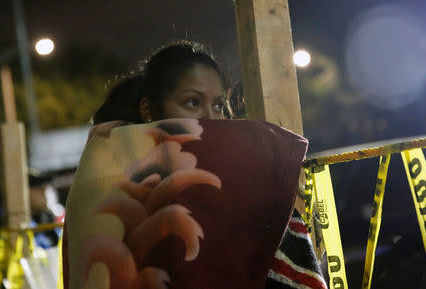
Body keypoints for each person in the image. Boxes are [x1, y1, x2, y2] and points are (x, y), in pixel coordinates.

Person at [89, 40, 326, 289]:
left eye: (219, 105)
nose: (211, 120)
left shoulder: (238, 184)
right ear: (148, 109)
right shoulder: (113, 186)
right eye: (192, 103)